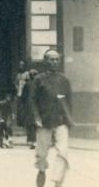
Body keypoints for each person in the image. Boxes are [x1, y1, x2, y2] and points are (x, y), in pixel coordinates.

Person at [31, 49, 74, 187]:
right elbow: (32, 101)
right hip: (44, 121)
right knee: (42, 156)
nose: (54, 62)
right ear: (45, 61)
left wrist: (69, 120)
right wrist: (37, 117)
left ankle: (57, 182)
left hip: (61, 121)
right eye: (51, 59)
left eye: (56, 59)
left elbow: (69, 101)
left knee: (63, 153)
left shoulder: (64, 80)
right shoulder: (39, 80)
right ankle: (41, 177)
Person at [18, 68, 38, 149]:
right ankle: (36, 141)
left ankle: (32, 141)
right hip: (38, 105)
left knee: (30, 125)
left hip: (29, 106)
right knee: (36, 124)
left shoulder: (27, 84)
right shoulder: (39, 83)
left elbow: (23, 96)